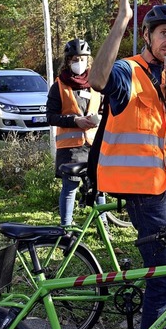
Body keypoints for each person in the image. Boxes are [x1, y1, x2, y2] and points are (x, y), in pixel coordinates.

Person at [87, 0, 166, 329]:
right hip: (146, 194)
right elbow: (97, 79)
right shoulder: (127, 72)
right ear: (147, 35)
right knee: (164, 281)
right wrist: (122, 20)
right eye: (164, 33)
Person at [47, 38, 103, 227]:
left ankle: (102, 226)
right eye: (75, 59)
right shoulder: (59, 86)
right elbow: (51, 116)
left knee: (98, 188)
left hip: (93, 145)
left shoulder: (96, 84)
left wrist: (100, 118)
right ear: (68, 61)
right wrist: (74, 121)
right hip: (70, 148)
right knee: (70, 187)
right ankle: (66, 227)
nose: (79, 63)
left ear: (89, 61)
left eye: (83, 59)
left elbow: (104, 109)